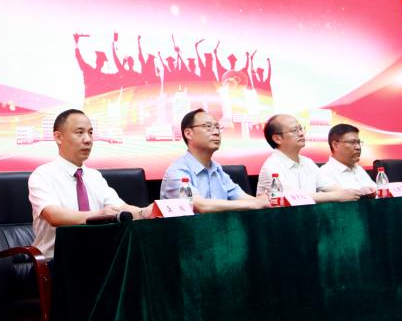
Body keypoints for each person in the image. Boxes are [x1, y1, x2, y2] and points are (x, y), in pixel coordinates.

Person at [28, 109, 150, 260]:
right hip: (57, 262)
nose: (88, 140)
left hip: (98, 260)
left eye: (90, 133)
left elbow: (120, 207)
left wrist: (145, 212)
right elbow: (54, 216)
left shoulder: (94, 176)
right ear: (58, 137)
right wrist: (99, 215)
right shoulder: (42, 175)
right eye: (79, 133)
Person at [161, 109, 269, 212]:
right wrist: (254, 204)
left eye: (217, 127)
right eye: (208, 127)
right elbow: (199, 205)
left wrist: (264, 201)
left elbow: (242, 197)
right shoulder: (177, 172)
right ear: (188, 133)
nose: (216, 132)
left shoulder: (217, 170)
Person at [255, 114, 360, 202]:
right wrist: (337, 196)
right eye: (294, 130)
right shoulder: (271, 167)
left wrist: (356, 192)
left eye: (301, 128)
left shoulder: (307, 162)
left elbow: (333, 188)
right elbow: (291, 198)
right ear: (277, 139)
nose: (301, 133)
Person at [319, 123, 377, 195]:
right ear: (335, 145)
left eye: (358, 142)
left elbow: (377, 192)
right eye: (352, 142)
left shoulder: (358, 168)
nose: (358, 147)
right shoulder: (324, 173)